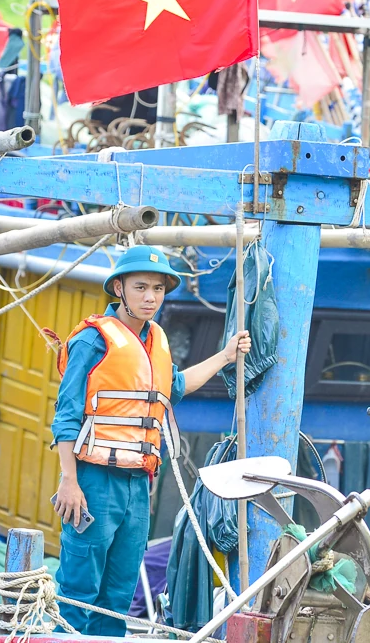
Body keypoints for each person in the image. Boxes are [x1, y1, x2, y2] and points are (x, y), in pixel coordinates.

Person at [50, 245, 250, 635]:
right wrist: (69, 481)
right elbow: (66, 416)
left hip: (138, 486)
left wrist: (225, 356)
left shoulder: (156, 340)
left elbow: (174, 386)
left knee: (120, 592)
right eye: (140, 287)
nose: (150, 297)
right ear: (119, 289)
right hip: (93, 480)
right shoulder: (92, 342)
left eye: (158, 289)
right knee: (78, 587)